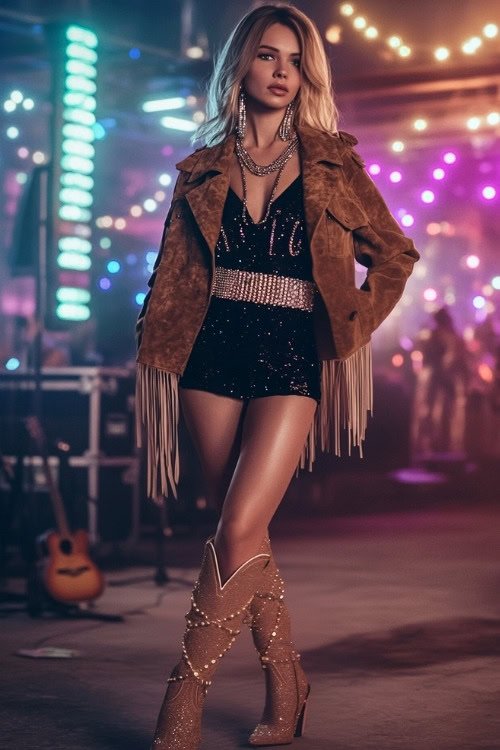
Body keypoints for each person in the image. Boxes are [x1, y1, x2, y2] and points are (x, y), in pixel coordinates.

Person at [135, 4, 420, 747]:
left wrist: (352, 321)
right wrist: (153, 337)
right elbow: (172, 272)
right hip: (210, 349)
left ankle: (182, 696)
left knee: (236, 525)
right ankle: (286, 680)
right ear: (241, 68)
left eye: (295, 60)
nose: (283, 71)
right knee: (244, 530)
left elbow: (394, 254)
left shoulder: (332, 162)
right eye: (267, 55)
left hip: (290, 348)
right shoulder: (199, 169)